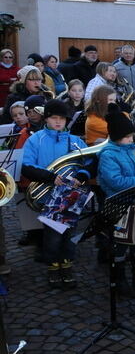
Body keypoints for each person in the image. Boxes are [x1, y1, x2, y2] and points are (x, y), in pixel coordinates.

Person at [22, 100, 94, 289]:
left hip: (71, 193)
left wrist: (82, 175)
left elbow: (89, 162)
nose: (58, 122)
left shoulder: (75, 141)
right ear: (46, 118)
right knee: (53, 234)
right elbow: (27, 166)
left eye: (62, 119)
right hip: (47, 193)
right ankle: (54, 267)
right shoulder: (35, 139)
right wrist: (51, 177)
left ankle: (67, 264)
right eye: (54, 118)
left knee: (70, 231)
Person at [97, 111, 135, 298]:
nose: (131, 139)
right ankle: (119, 282)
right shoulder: (108, 155)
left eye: (131, 136)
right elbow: (117, 182)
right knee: (121, 244)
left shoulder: (133, 149)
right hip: (121, 205)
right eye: (127, 137)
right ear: (117, 137)